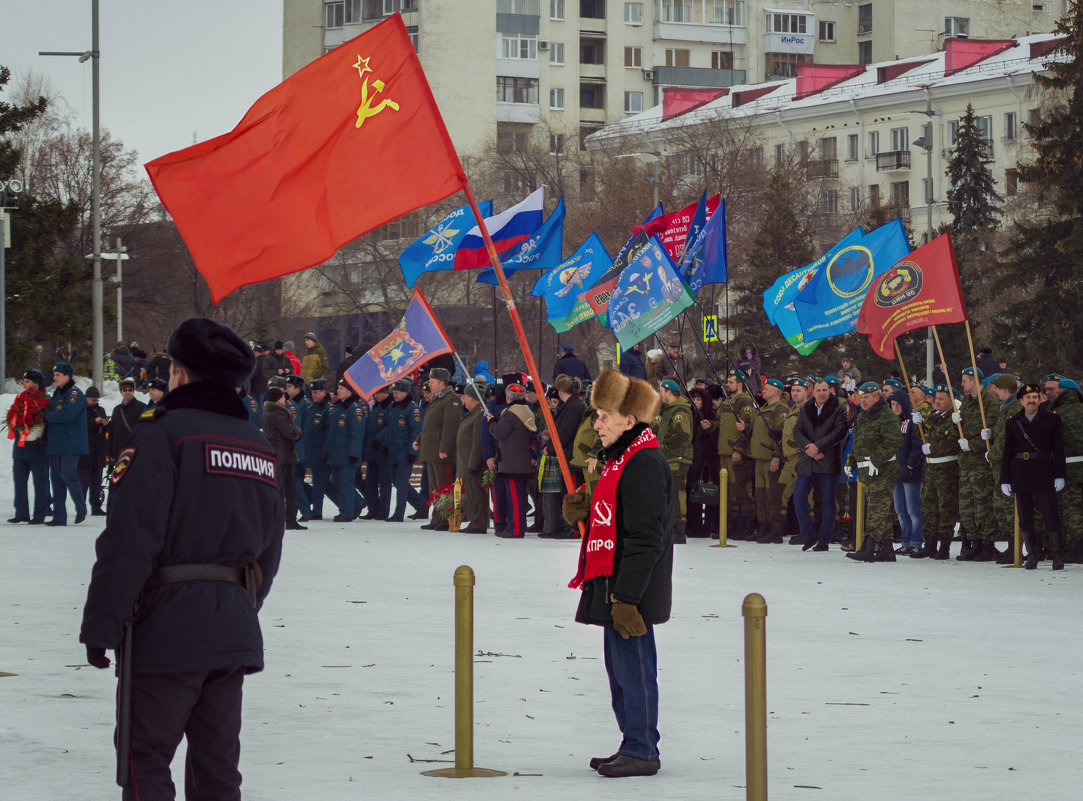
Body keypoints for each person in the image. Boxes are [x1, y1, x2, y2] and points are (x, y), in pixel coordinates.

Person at [79, 316, 283, 800]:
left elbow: (130, 539)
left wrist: (101, 623)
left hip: (166, 626)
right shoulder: (257, 444)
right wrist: (237, 605)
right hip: (233, 623)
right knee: (217, 770)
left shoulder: (163, 433)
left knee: (143, 759)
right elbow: (270, 549)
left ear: (179, 372)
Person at [561, 369, 672, 778]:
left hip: (632, 591)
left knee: (635, 671)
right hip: (617, 586)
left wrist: (626, 598)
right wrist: (586, 511)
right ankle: (632, 742)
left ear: (629, 420)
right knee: (620, 673)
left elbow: (646, 538)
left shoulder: (643, 462)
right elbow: (617, 518)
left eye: (605, 415)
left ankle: (642, 749)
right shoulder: (621, 459)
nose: (597, 423)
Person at [1000, 382, 1067, 570]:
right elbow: (1007, 452)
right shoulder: (1013, 421)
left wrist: (1060, 475)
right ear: (1021, 401)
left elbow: (1058, 449)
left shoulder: (1051, 419)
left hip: (1043, 470)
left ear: (1040, 400)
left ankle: (1057, 555)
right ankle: (1032, 555)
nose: (1032, 401)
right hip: (1020, 471)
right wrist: (1004, 479)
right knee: (1025, 516)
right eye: (1028, 398)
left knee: (1050, 514)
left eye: (1035, 397)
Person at [845, 382, 902, 562]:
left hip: (883, 470)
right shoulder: (864, 416)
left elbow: (893, 442)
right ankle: (887, 549)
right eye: (861, 397)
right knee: (881, 511)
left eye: (867, 397)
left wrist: (876, 460)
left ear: (877, 397)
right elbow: (858, 441)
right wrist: (851, 461)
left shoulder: (887, 417)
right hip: (867, 471)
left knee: (876, 510)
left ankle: (868, 548)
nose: (863, 400)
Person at [793, 379, 848, 551]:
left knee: (828, 502)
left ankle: (824, 539)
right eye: (819, 390)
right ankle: (808, 534)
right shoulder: (806, 407)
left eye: (825, 390)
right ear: (813, 391)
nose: (822, 393)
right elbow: (797, 430)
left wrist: (819, 446)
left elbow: (839, 431)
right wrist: (810, 448)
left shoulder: (839, 408)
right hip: (808, 459)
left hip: (828, 461)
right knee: (799, 496)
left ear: (830, 391)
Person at [911, 385, 961, 560]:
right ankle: (929, 544)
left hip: (947, 468)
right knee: (929, 507)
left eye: (941, 399)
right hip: (931, 468)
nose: (937, 402)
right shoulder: (933, 416)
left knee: (945, 509)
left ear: (950, 401)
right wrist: (918, 423)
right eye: (936, 398)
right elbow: (922, 434)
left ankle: (944, 546)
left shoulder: (954, 419)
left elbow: (953, 442)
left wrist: (933, 448)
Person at [955, 367, 998, 561]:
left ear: (974, 380)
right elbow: (960, 431)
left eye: (965, 380)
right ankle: (975, 542)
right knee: (967, 507)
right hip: (966, 462)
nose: (962, 384)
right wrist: (955, 423)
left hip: (981, 462)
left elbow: (992, 434)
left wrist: (972, 444)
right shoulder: (967, 403)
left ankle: (988, 544)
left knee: (982, 506)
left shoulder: (988, 402)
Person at [487, 383, 537, 538]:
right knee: (519, 497)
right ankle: (515, 527)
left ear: (508, 397)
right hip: (520, 460)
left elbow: (500, 432)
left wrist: (491, 421)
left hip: (511, 462)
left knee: (514, 499)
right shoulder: (527, 410)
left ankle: (515, 529)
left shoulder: (511, 413)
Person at [416, 367, 461, 531]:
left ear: (442, 383)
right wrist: (419, 440)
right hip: (431, 450)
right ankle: (436, 518)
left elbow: (450, 427)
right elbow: (430, 425)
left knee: (443, 486)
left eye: (433, 382)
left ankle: (444, 519)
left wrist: (444, 449)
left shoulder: (451, 400)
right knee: (435, 487)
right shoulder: (436, 400)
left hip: (441, 452)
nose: (430, 384)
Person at [540, 374, 584, 539]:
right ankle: (566, 526)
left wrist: (549, 449)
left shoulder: (572, 408)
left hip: (569, 457)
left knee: (570, 494)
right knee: (566, 493)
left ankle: (571, 528)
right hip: (567, 456)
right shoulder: (572, 405)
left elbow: (564, 433)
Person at [45, 363, 89, 526]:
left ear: (67, 377)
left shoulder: (75, 394)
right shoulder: (57, 392)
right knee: (56, 479)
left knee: (68, 474)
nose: (54, 377)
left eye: (58, 375)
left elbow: (67, 414)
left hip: (71, 443)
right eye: (54, 374)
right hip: (56, 443)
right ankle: (59, 517)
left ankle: (81, 507)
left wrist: (46, 416)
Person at [7, 368, 52, 524]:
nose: (24, 384)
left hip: (38, 448)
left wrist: (43, 435)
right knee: (19, 482)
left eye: (27, 381)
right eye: (24, 381)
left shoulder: (46, 400)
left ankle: (39, 514)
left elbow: (49, 423)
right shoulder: (20, 399)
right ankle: (21, 512)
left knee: (40, 483)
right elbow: (13, 417)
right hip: (20, 449)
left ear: (36, 384)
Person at [987, 374, 1023, 564]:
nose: (995, 392)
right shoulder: (1005, 408)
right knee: (1001, 508)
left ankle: (1015, 547)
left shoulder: (1014, 409)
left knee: (1010, 508)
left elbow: (1005, 441)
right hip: (1001, 468)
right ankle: (1011, 545)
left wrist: (990, 455)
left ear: (1003, 389)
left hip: (1008, 467)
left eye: (996, 388)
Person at [716, 368, 756, 538]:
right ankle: (730, 526)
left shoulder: (745, 402)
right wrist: (710, 425)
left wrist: (739, 449)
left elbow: (746, 428)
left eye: (731, 381)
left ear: (739, 384)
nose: (727, 384)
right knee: (728, 491)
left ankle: (748, 525)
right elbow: (722, 423)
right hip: (724, 451)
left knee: (742, 489)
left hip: (736, 452)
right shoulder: (728, 402)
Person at [749, 378, 790, 543]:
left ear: (775, 391)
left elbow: (782, 436)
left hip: (770, 457)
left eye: (767, 389)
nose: (763, 391)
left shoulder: (780, 409)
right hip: (759, 457)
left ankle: (775, 528)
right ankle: (763, 525)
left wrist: (776, 456)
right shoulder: (764, 408)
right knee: (760, 494)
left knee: (772, 494)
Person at [654, 378, 693, 543]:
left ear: (669, 392)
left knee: (677, 493)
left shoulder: (680, 411)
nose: (659, 394)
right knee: (670, 494)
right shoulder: (669, 409)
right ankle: (672, 527)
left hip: (677, 458)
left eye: (661, 391)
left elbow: (683, 435)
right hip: (669, 458)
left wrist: (664, 444)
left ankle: (679, 529)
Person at [261, 387, 305, 530]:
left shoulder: (267, 412)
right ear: (277, 399)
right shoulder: (278, 414)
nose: (285, 399)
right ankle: (288, 520)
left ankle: (285, 520)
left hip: (277, 455)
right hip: (283, 456)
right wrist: (297, 431)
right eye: (282, 397)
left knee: (284, 489)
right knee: (286, 490)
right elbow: (289, 432)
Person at [887, 389, 924, 555]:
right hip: (895, 473)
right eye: (892, 405)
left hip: (910, 473)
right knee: (900, 510)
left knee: (913, 510)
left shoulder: (912, 421)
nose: (894, 408)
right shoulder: (892, 422)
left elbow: (917, 445)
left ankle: (916, 541)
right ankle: (906, 540)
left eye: (897, 404)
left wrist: (910, 464)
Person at [324, 379, 367, 522]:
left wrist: (354, 454)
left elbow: (357, 433)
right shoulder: (338, 407)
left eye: (341, 388)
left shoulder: (355, 409)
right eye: (338, 388)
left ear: (350, 391)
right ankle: (357, 503)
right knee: (338, 483)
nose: (338, 391)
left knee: (346, 484)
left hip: (347, 455)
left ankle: (347, 513)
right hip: (336, 454)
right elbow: (331, 433)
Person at [1050, 378, 1083, 563]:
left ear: (1062, 392)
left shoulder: (1057, 414)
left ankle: (1077, 548)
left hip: (1069, 468)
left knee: (1072, 509)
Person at [383, 379, 425, 522]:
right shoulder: (394, 407)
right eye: (393, 392)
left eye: (396, 392)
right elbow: (389, 429)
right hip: (394, 451)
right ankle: (420, 504)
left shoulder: (412, 409)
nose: (393, 395)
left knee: (401, 484)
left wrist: (412, 453)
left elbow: (416, 432)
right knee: (397, 481)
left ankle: (398, 514)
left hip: (405, 453)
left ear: (405, 392)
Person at [456, 382, 489, 533]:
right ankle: (475, 521)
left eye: (464, 396)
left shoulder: (479, 414)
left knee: (476, 494)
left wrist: (473, 464)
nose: (462, 399)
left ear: (472, 398)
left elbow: (477, 441)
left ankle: (478, 523)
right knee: (471, 494)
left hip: (473, 463)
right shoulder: (473, 413)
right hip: (466, 461)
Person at [300, 379, 332, 522]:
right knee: (321, 483)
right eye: (312, 392)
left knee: (319, 484)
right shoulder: (313, 407)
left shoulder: (327, 409)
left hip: (321, 453)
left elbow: (328, 434)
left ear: (324, 392)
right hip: (312, 451)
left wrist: (325, 452)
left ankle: (317, 511)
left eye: (317, 392)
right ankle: (357, 503)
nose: (313, 395)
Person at [79, 386, 111, 517]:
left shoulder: (101, 409)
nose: (95, 402)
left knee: (97, 483)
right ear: (86, 398)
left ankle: (96, 506)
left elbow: (107, 429)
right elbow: (81, 428)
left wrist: (105, 424)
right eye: (93, 399)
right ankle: (81, 507)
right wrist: (94, 422)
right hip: (86, 453)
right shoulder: (81, 410)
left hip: (99, 452)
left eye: (97, 399)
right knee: (83, 483)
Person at [363, 387, 393, 520]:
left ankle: (383, 511)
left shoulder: (390, 407)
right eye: (375, 393)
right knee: (370, 482)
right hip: (372, 450)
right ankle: (372, 509)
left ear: (386, 393)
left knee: (384, 483)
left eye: (379, 393)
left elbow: (389, 427)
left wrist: (378, 439)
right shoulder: (376, 407)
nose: (376, 395)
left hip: (383, 449)